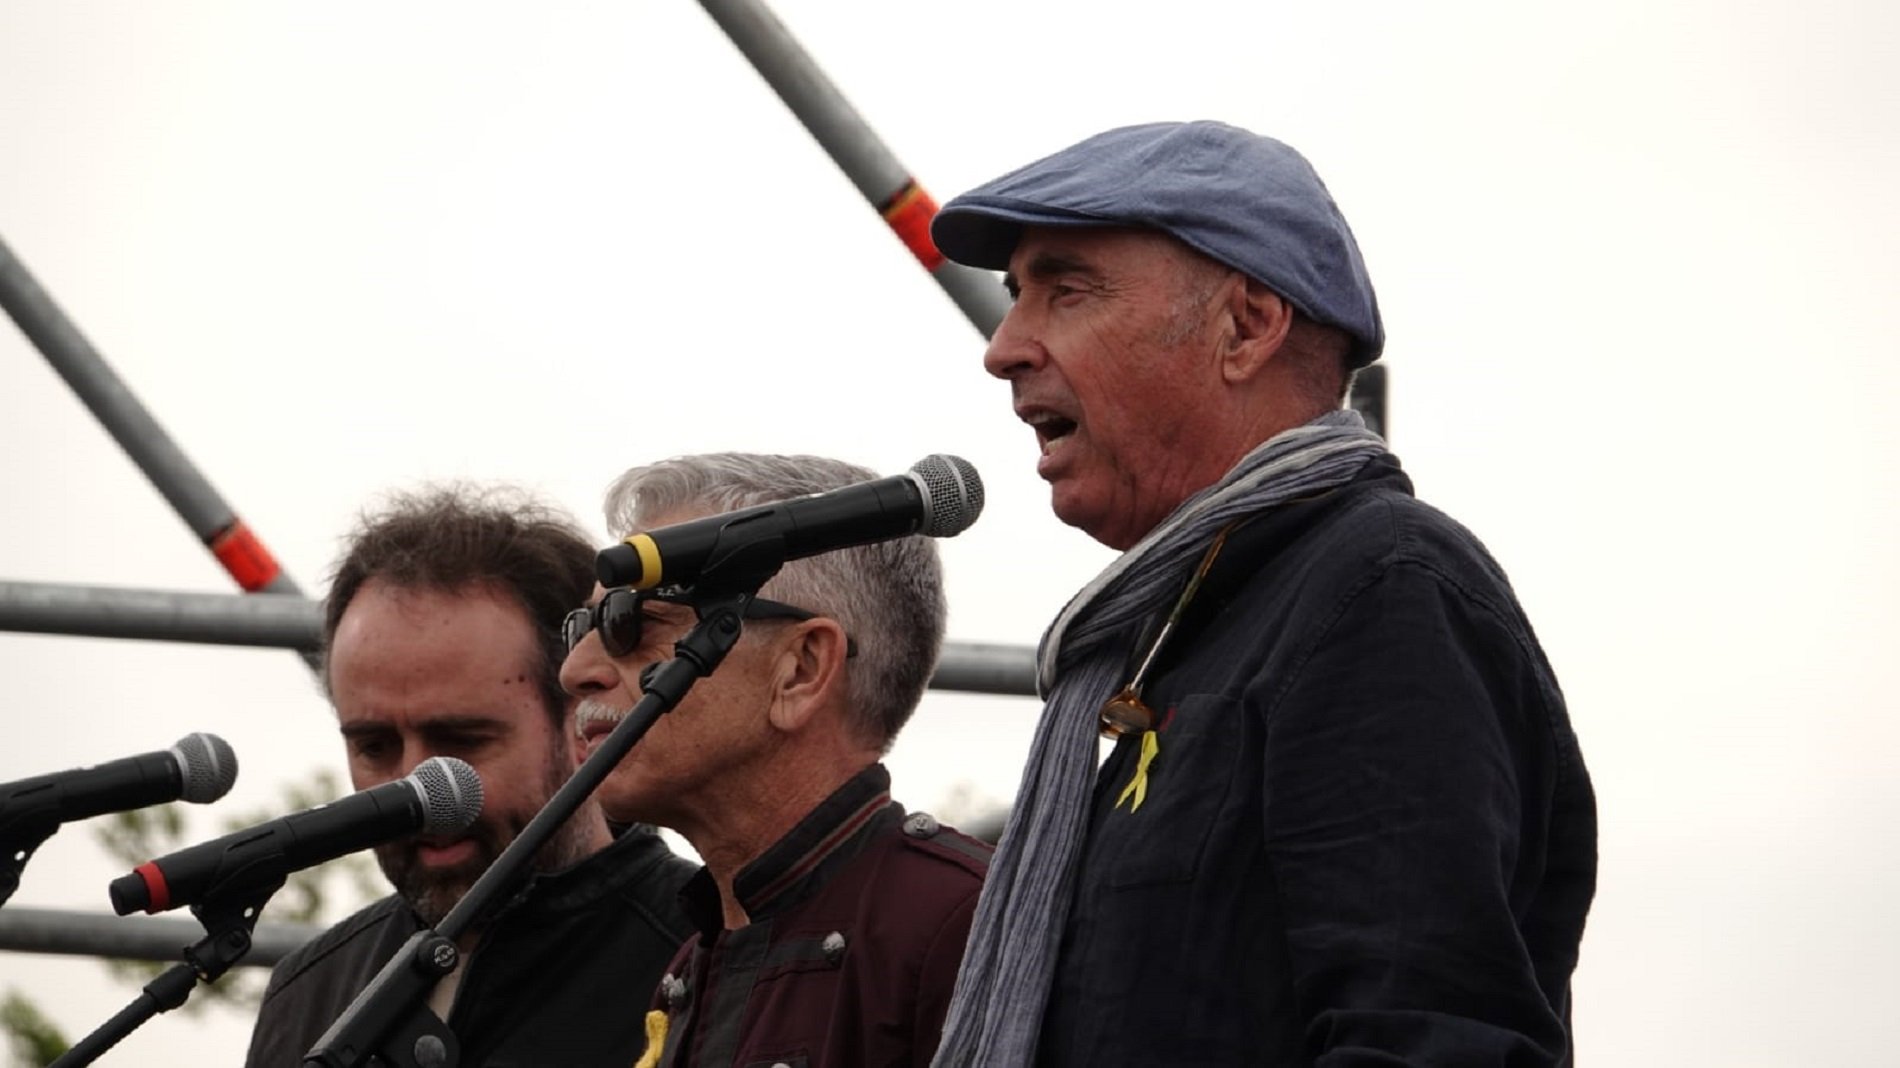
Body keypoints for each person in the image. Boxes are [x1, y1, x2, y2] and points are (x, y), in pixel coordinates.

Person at [926, 121, 1598, 1066]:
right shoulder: (1174, 633)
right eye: (1012, 299)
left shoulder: (1380, 590)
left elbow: (1427, 1038)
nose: (1004, 348)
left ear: (1245, 326)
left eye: (1064, 290)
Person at [559, 453, 991, 1068]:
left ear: (801, 669)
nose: (574, 671)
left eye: (632, 623)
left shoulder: (965, 927)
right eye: (580, 629)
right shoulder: (693, 962)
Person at [244, 485, 698, 1066]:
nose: (416, 788)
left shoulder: (707, 964)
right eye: (374, 746)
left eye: (462, 741)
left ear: (583, 719)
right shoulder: (310, 992)